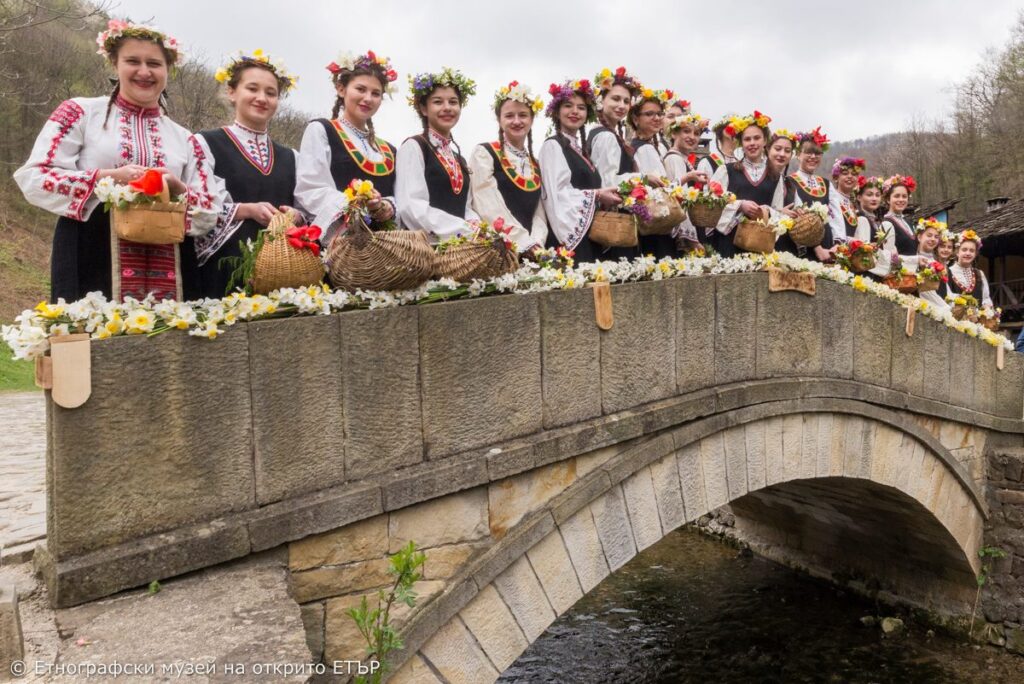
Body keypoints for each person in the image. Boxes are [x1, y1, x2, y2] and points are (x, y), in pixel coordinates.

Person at [14, 19, 216, 302]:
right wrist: (107, 178)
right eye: (133, 61)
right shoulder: (79, 113)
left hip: (169, 263)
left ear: (168, 70)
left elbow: (209, 211)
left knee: (167, 342)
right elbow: (35, 177)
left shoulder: (187, 140)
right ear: (115, 63)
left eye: (155, 64)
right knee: (91, 341)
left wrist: (176, 187)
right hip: (90, 251)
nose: (144, 71)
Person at [191, 49, 302, 298]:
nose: (261, 98)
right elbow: (195, 207)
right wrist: (246, 210)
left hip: (284, 275)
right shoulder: (205, 143)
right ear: (232, 92)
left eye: (270, 93)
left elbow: (307, 208)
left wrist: (297, 215)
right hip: (224, 272)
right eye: (252, 89)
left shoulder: (292, 157)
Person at [296, 50, 399, 245]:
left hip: (385, 252)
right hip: (338, 248)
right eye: (360, 89)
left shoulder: (390, 150)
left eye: (375, 93)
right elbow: (310, 188)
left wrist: (386, 206)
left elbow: (402, 199)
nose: (368, 98)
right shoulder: (322, 130)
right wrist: (356, 203)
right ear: (341, 89)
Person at [538, 78, 621, 263]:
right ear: (557, 112)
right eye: (568, 106)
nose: (575, 111)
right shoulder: (552, 146)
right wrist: (597, 195)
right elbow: (557, 196)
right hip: (569, 239)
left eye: (581, 107)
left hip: (589, 235)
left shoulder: (580, 150)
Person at [396, 67, 479, 241]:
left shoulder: (459, 159)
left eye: (453, 102)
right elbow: (411, 206)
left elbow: (466, 208)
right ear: (423, 109)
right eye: (438, 102)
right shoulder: (414, 147)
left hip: (460, 252)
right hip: (424, 251)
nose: (447, 108)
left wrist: (477, 227)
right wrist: (462, 230)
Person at [469, 81, 549, 256]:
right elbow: (486, 204)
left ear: (532, 119)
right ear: (499, 119)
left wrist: (536, 242)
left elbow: (539, 212)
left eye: (523, 115)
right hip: (498, 250)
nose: (517, 121)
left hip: (533, 252)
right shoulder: (485, 153)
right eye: (509, 115)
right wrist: (522, 242)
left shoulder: (535, 163)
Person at [709, 112, 784, 257]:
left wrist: (766, 212)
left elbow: (779, 213)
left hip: (760, 247)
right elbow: (712, 204)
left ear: (765, 141)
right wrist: (740, 205)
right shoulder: (726, 170)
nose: (752, 143)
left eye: (757, 138)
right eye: (747, 139)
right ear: (741, 143)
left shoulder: (775, 177)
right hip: (728, 245)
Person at [627, 88, 678, 257]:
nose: (656, 118)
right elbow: (662, 189)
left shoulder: (642, 146)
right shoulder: (646, 149)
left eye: (659, 114)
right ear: (635, 118)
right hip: (656, 224)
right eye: (649, 114)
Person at [779, 128, 834, 261]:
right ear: (798, 154)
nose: (813, 157)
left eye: (818, 153)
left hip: (827, 247)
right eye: (808, 152)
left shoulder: (827, 184)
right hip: (800, 249)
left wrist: (838, 245)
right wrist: (817, 247)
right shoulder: (788, 182)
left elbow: (835, 218)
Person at [663, 111, 709, 251]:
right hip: (677, 232)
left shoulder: (681, 158)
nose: (692, 137)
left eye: (696, 133)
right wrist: (692, 239)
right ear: (673, 134)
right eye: (686, 131)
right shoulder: (675, 158)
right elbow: (679, 198)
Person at [589, 67, 641, 187]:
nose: (622, 106)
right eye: (616, 99)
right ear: (601, 101)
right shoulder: (606, 136)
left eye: (626, 101)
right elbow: (607, 183)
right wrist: (643, 177)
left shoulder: (604, 133)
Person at [948, 229, 992, 307]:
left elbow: (986, 299)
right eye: (964, 250)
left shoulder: (979, 274)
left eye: (972, 251)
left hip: (977, 318)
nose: (968, 253)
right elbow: (946, 298)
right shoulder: (948, 272)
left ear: (975, 254)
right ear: (957, 252)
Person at [828, 157, 864, 244]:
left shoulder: (854, 205)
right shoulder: (830, 200)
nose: (850, 177)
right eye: (845, 173)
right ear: (836, 178)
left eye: (854, 174)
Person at [698, 114, 740, 179]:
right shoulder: (708, 161)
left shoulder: (741, 163)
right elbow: (701, 187)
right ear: (725, 131)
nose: (738, 131)